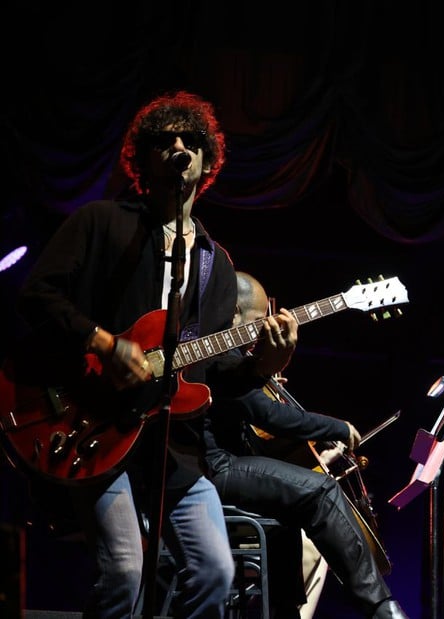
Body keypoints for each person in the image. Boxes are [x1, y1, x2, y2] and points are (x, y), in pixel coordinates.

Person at [10, 91, 299, 617]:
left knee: (215, 571)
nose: (179, 149)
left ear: (207, 162)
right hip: (93, 428)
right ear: (142, 159)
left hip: (172, 451)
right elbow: (37, 296)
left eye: (191, 142)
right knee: (125, 574)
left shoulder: (216, 266)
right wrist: (102, 342)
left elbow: (213, 377)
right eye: (165, 142)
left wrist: (262, 367)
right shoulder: (102, 223)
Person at [202, 271, 407, 619]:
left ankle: (286, 611)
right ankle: (381, 610)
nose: (263, 333)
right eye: (258, 322)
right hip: (212, 466)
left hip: (219, 464)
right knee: (319, 491)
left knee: (288, 508)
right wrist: (337, 427)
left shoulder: (232, 359)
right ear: (233, 312)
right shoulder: (218, 352)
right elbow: (267, 414)